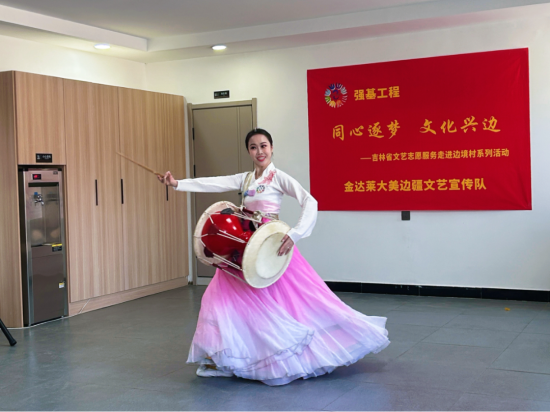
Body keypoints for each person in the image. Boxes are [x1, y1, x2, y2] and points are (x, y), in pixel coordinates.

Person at [159, 128, 389, 386]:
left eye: (264, 145)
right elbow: (214, 182)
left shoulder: (279, 177)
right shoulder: (246, 179)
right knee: (218, 297)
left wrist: (295, 234)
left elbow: (310, 201)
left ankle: (277, 354)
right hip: (244, 248)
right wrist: (177, 184)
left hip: (270, 246)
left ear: (271, 148)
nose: (260, 151)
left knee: (286, 301)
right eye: (253, 147)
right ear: (248, 151)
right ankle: (223, 358)